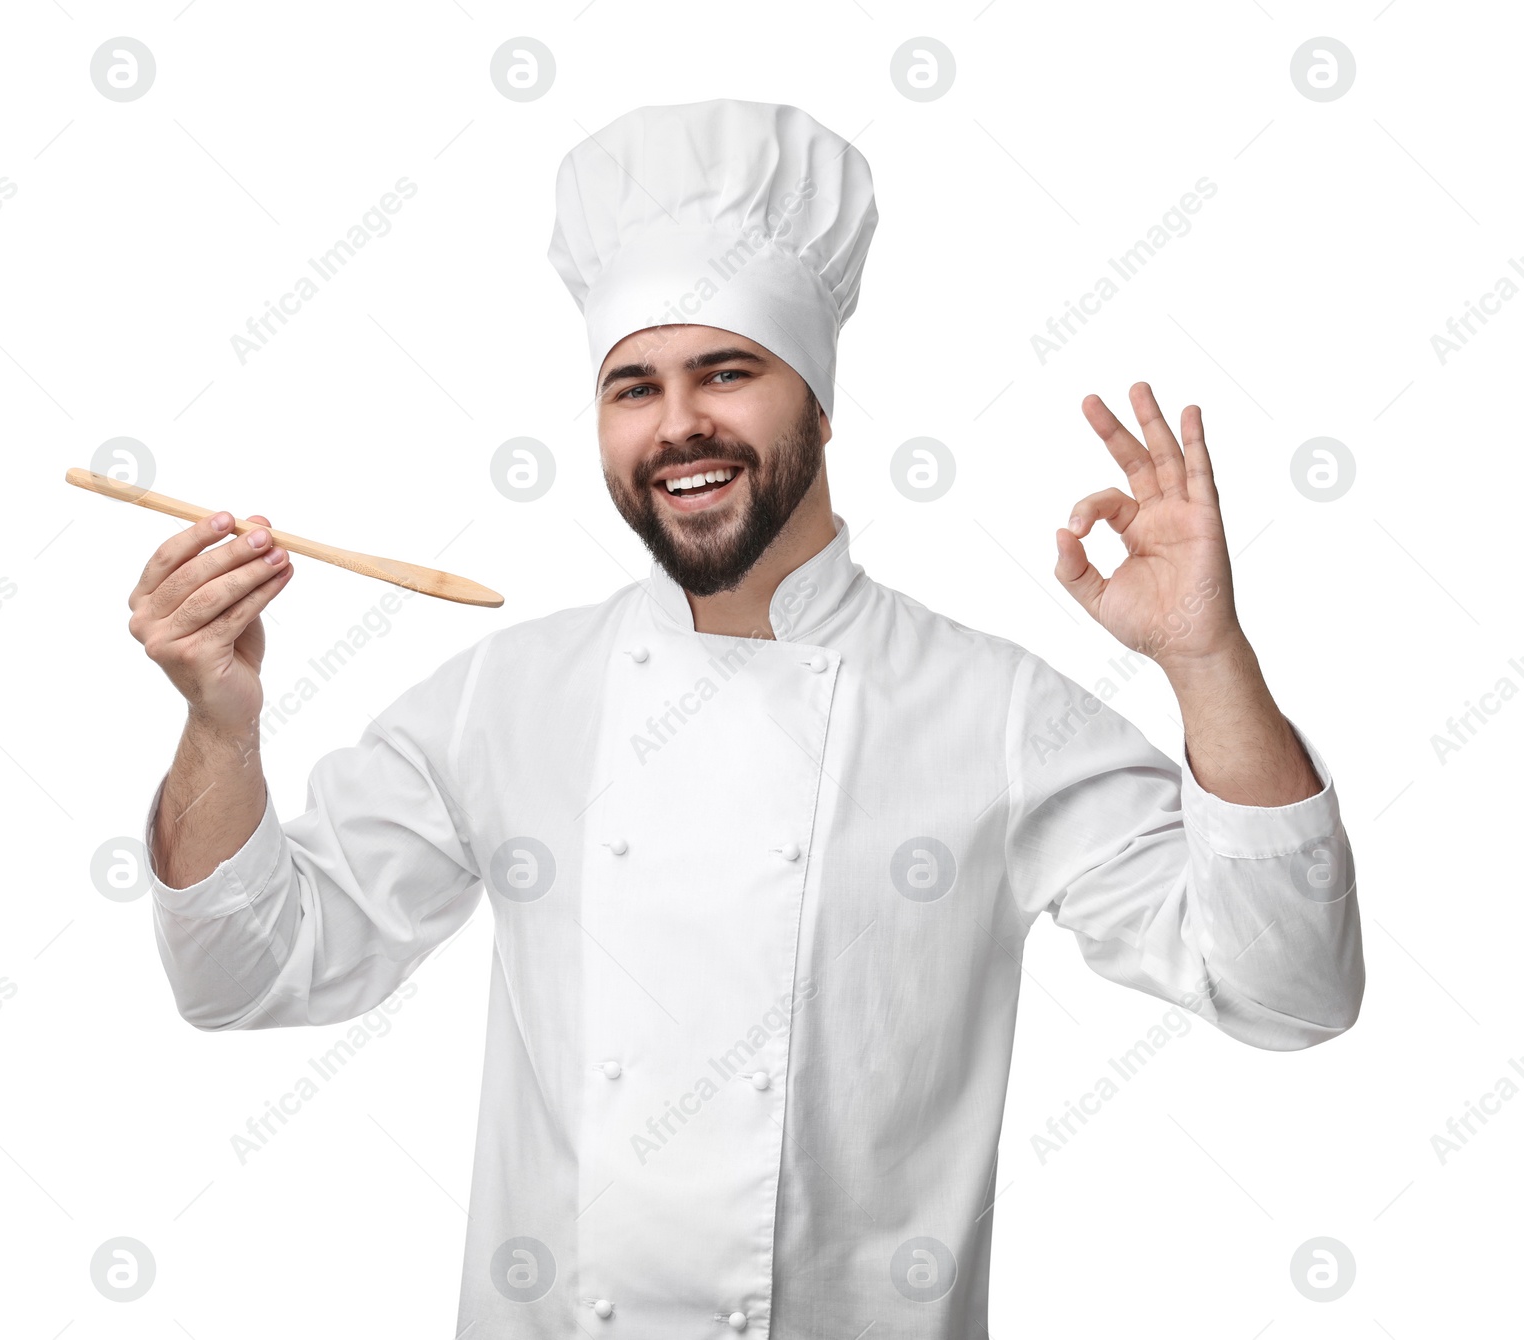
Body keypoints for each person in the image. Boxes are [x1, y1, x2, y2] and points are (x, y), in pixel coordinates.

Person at [132, 99, 1363, 1338]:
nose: (678, 424)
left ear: (820, 405)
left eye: (728, 371)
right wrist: (221, 730)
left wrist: (1207, 659)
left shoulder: (991, 712)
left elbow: (1289, 989)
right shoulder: (503, 700)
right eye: (634, 387)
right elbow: (246, 977)